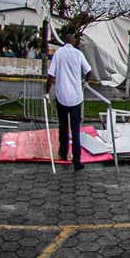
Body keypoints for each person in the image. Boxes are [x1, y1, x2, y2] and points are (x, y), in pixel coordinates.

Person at [44, 33, 95, 171]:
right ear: (73, 41)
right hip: (76, 97)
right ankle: (77, 161)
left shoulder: (58, 53)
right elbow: (89, 71)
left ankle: (63, 153)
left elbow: (51, 75)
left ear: (64, 41)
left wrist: (47, 92)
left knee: (63, 127)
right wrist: (85, 81)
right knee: (75, 129)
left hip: (61, 95)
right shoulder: (78, 54)